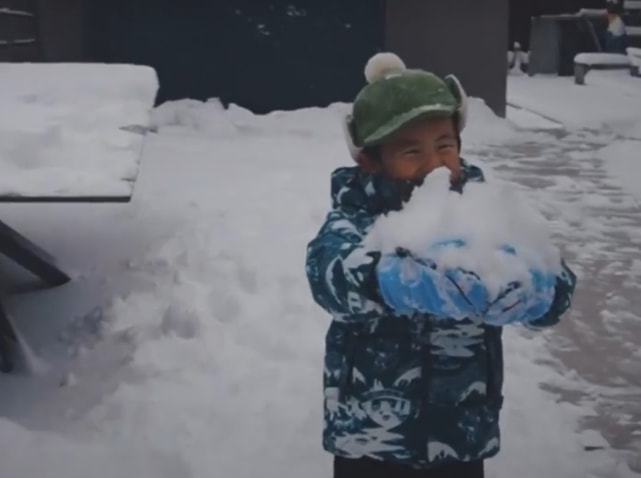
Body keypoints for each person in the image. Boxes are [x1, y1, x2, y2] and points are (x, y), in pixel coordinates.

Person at [305, 52, 577, 478]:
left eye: (444, 145)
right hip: (371, 437)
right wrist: (389, 281)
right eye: (411, 150)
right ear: (370, 159)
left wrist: (542, 289)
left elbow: (546, 270)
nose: (434, 163)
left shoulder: (482, 210)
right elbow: (328, 274)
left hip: (461, 432)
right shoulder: (357, 215)